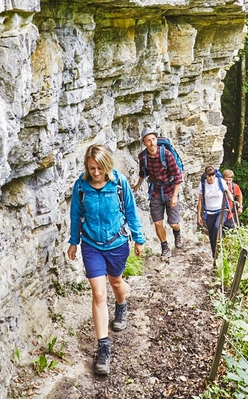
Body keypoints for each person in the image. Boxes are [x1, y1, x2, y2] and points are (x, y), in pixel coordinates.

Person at [68, 144, 145, 377]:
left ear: (107, 166)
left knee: (116, 282)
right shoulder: (81, 187)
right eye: (92, 168)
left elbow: (131, 212)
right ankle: (103, 348)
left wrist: (138, 238)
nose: (96, 173)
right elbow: (75, 214)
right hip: (91, 244)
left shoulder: (119, 184)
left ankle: (121, 304)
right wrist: (73, 241)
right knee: (99, 294)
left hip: (117, 244)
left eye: (99, 168)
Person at [131, 128, 183, 259]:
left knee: (173, 223)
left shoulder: (166, 154)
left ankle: (177, 232)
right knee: (158, 222)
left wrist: (175, 196)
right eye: (148, 141)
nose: (152, 143)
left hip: (170, 190)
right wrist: (137, 185)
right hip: (155, 192)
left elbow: (178, 176)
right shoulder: (143, 157)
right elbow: (143, 173)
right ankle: (165, 247)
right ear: (144, 143)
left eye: (153, 139)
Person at [197, 166, 235, 259]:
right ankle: (215, 256)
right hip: (209, 213)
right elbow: (200, 201)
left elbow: (228, 192)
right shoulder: (203, 184)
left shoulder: (220, 181)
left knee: (217, 227)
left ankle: (221, 250)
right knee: (212, 236)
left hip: (222, 211)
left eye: (213, 175)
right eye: (209, 176)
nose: (212, 178)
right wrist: (199, 216)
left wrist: (233, 202)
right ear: (206, 176)